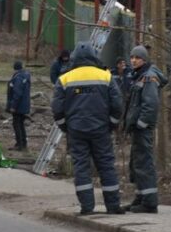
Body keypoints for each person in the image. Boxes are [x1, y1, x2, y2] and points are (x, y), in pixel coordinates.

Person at [52, 42, 126, 216]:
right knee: (106, 165)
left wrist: (65, 127)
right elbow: (117, 105)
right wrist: (111, 124)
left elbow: (57, 108)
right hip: (101, 129)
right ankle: (113, 205)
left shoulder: (64, 79)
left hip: (76, 130)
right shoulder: (106, 76)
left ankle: (87, 206)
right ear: (94, 56)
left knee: (81, 167)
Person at [124, 44, 168, 213]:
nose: (134, 60)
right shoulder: (139, 76)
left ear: (144, 59)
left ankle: (149, 203)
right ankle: (140, 198)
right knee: (137, 163)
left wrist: (141, 124)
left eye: (137, 57)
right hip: (137, 128)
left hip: (142, 129)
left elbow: (151, 105)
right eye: (132, 57)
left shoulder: (149, 78)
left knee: (144, 163)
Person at [6, 61, 31, 150]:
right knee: (20, 124)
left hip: (18, 106)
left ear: (15, 68)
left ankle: (19, 144)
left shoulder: (18, 77)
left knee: (17, 124)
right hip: (24, 105)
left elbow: (17, 93)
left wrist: (13, 106)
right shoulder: (25, 75)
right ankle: (23, 143)